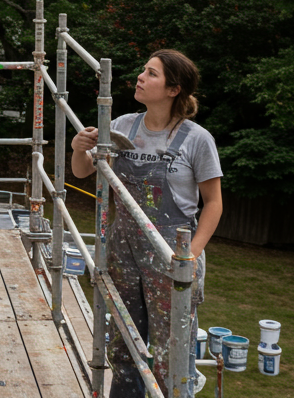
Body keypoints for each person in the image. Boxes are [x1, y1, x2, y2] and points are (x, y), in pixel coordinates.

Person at [70, 49, 223, 398]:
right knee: (124, 341)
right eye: (144, 71)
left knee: (172, 349)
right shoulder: (122, 126)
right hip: (123, 249)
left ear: (173, 89)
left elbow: (213, 204)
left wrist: (189, 257)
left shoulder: (197, 140)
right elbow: (81, 171)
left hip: (170, 253)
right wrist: (79, 148)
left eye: (151, 74)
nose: (140, 77)